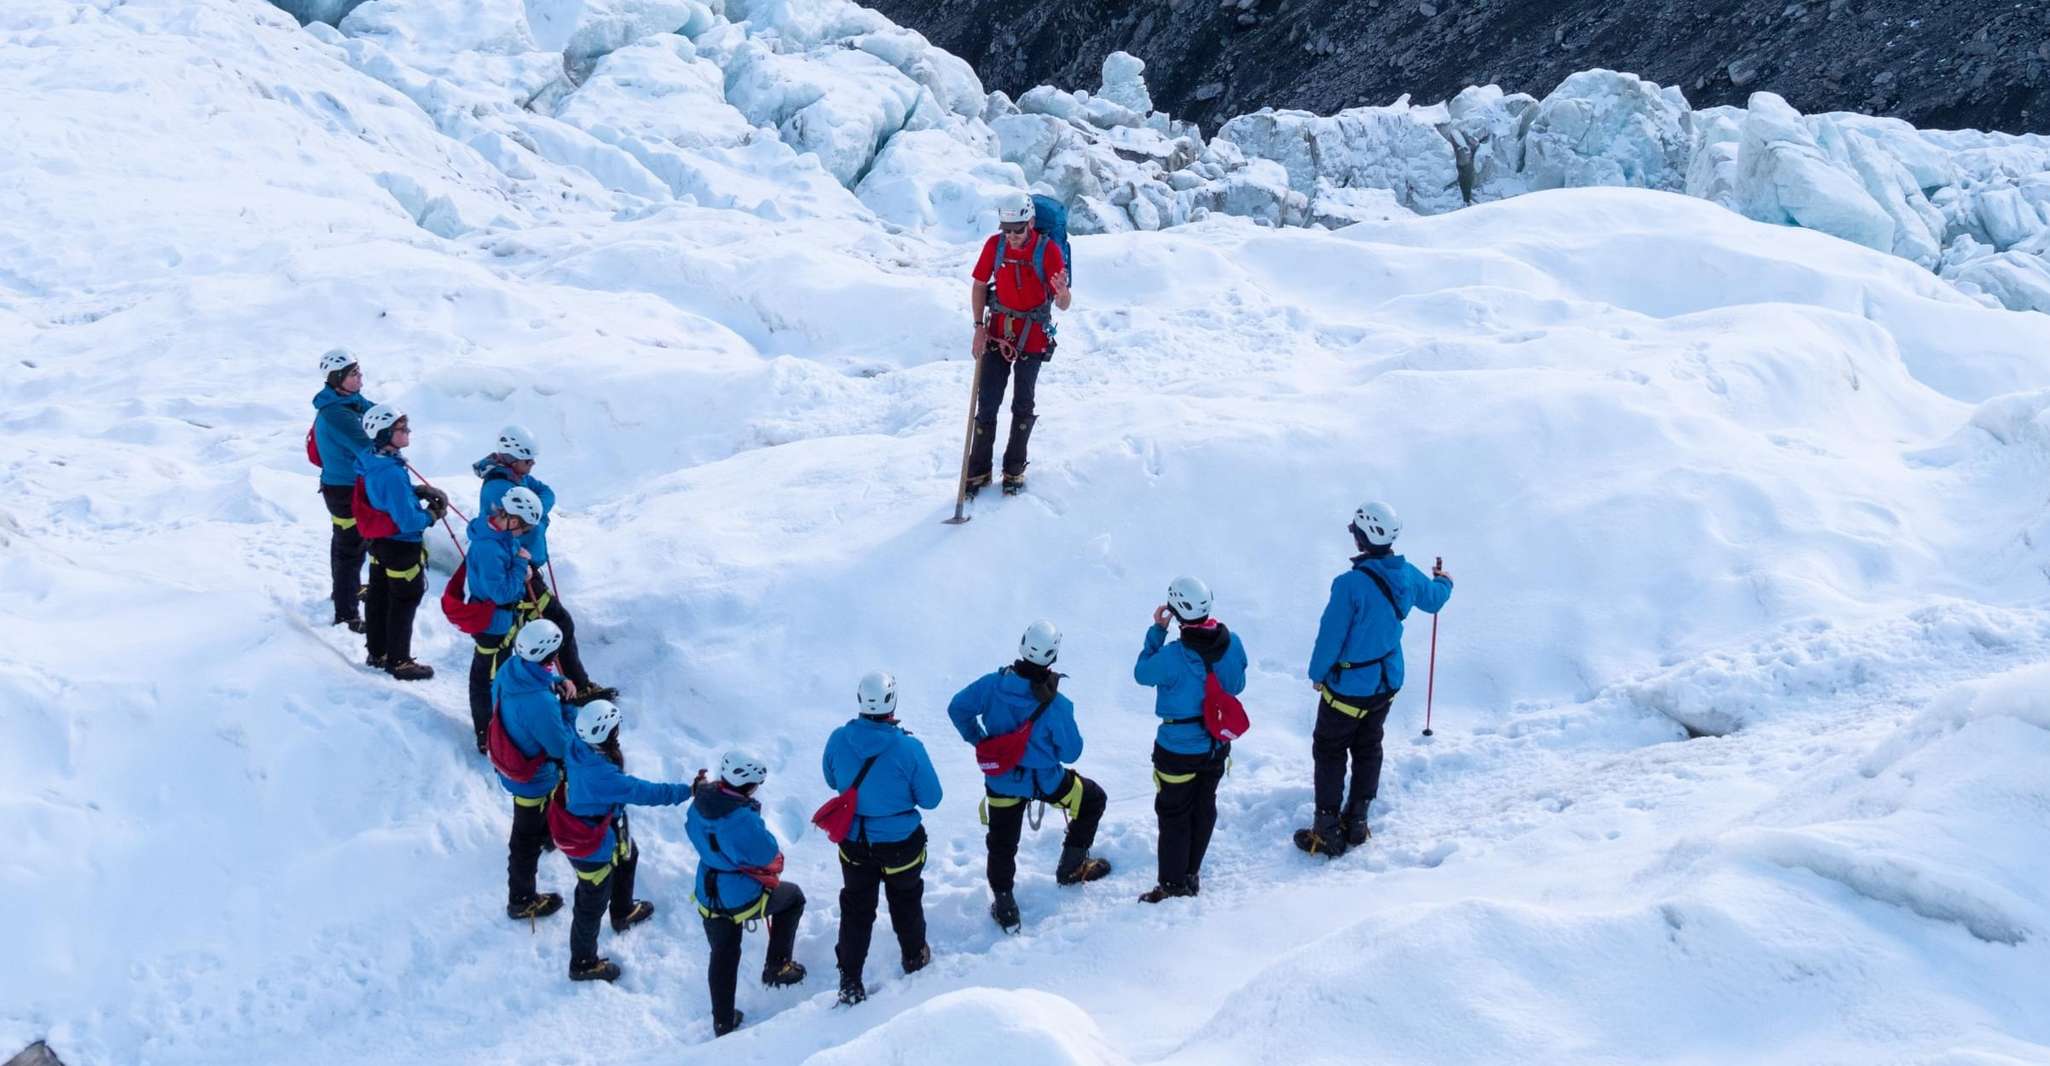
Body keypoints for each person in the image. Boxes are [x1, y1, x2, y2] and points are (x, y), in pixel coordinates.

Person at [1297, 501, 1454, 856]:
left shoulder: (1349, 585)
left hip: (1348, 687)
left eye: (1354, 530)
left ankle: (1326, 830)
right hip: (1387, 682)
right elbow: (1433, 601)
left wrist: (1318, 675)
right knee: (1369, 746)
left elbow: (1330, 637)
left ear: (1362, 538)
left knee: (1330, 750)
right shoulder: (1408, 574)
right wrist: (1444, 582)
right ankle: (1357, 822)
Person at [947, 620, 1110, 933]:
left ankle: (1005, 904)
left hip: (1003, 781)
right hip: (1048, 781)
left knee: (1002, 844)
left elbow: (957, 708)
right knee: (1092, 799)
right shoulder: (1057, 705)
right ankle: (1072, 867)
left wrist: (979, 740)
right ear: (1053, 655)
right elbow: (1071, 752)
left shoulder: (991, 686)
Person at [821, 671, 942, 1005]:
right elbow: (931, 798)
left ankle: (850, 978)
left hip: (854, 842)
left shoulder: (838, 739)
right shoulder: (908, 747)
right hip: (900, 842)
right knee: (906, 899)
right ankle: (914, 956)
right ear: (892, 701)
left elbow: (832, 780)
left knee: (856, 908)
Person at [473, 426, 617, 705]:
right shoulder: (500, 487)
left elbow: (545, 493)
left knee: (548, 625)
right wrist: (536, 517)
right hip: (518, 570)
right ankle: (571, 687)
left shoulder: (514, 476)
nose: (532, 466)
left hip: (524, 566)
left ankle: (560, 686)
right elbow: (523, 527)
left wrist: (536, 508)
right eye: (528, 461)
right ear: (512, 458)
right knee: (555, 623)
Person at [556, 698, 693, 983]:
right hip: (591, 845)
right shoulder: (603, 776)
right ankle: (582, 963)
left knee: (629, 856)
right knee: (591, 902)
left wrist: (568, 705)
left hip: (606, 828)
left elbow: (571, 719)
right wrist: (688, 790)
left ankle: (622, 911)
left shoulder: (576, 743)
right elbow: (645, 792)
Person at [1132, 576, 1247, 902]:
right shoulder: (1233, 643)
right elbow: (1236, 686)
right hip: (1216, 743)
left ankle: (1172, 885)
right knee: (1204, 805)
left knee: (1174, 815)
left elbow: (1141, 673)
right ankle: (1191, 872)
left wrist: (1156, 632)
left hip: (1177, 747)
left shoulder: (1172, 656)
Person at [687, 751, 807, 1036]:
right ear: (750, 785)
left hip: (707, 890)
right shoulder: (741, 819)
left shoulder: (699, 803)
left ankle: (722, 1020)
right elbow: (765, 852)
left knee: (723, 953)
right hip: (740, 894)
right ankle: (777, 966)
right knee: (793, 899)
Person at [966, 191, 1072, 497]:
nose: (1011, 237)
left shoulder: (1048, 250)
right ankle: (978, 471)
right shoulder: (994, 246)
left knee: (1023, 403)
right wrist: (977, 328)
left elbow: (1063, 303)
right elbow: (979, 285)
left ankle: (1014, 470)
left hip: (1034, 335)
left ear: (1031, 222)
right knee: (987, 401)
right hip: (998, 331)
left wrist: (1062, 292)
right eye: (1007, 230)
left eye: (1018, 230)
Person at [486, 618, 574, 923]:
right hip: (532, 778)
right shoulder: (539, 702)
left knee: (534, 823)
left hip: (514, 758)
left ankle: (547, 835)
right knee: (524, 838)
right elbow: (559, 746)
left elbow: (535, 682)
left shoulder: (511, 669)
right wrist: (567, 708)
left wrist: (555, 684)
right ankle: (521, 899)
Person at [354, 404, 446, 680]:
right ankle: (399, 660)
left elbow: (386, 497)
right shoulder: (391, 472)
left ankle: (378, 651)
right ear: (384, 433)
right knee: (404, 599)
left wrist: (414, 491)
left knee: (380, 595)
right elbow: (407, 521)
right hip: (400, 545)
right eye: (401, 428)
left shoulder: (373, 460)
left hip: (381, 543)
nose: (407, 432)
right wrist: (431, 515)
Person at [465, 484, 547, 754]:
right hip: (494, 624)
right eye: (522, 528)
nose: (522, 535)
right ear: (511, 519)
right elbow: (500, 593)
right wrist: (522, 566)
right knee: (489, 680)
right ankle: (487, 735)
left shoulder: (496, 535)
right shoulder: (490, 548)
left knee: (490, 676)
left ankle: (492, 730)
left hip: (497, 622)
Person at [310, 349, 375, 631]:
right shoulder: (337, 413)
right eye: (353, 374)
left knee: (347, 544)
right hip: (344, 490)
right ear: (338, 379)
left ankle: (343, 594)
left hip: (341, 486)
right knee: (351, 547)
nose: (360, 377)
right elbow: (367, 447)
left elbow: (371, 411)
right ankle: (346, 613)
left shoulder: (348, 401)